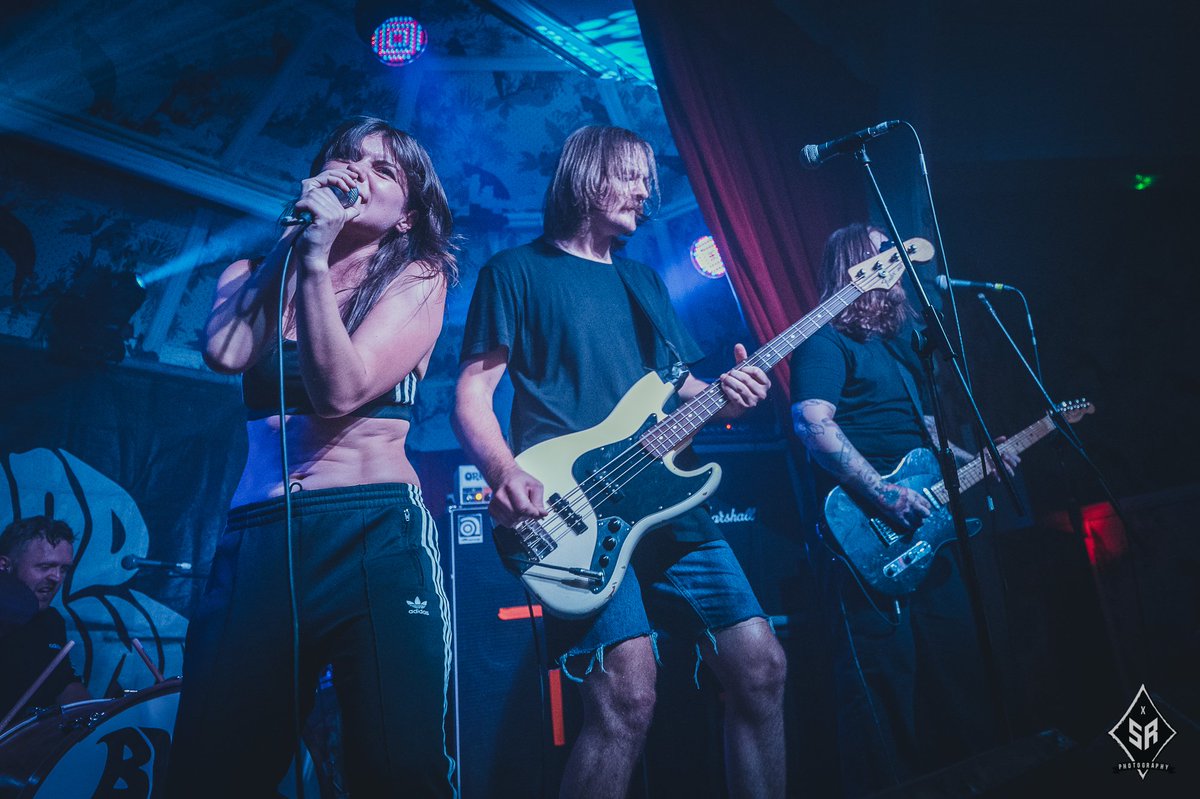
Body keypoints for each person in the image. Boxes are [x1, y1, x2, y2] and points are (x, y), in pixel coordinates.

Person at [454, 125, 787, 799]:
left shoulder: (641, 281)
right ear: (588, 176)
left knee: (761, 668)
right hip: (574, 508)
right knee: (626, 696)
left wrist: (733, 395)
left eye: (648, 179)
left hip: (671, 505)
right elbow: (471, 394)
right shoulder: (515, 272)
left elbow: (677, 390)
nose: (646, 190)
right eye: (632, 175)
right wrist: (503, 470)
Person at [166, 117, 458, 797]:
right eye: (347, 159)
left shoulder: (417, 275)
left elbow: (342, 390)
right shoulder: (252, 271)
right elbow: (227, 351)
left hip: (371, 532)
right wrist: (299, 249)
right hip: (262, 536)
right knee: (216, 766)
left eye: (385, 169)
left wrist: (320, 263)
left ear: (407, 213)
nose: (360, 171)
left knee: (398, 765)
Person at [790, 223, 1017, 796]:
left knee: (959, 665)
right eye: (878, 248)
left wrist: (980, 457)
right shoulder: (824, 339)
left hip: (929, 529)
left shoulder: (901, 344)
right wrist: (883, 493)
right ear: (855, 264)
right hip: (866, 528)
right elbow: (813, 424)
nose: (892, 256)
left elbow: (930, 432)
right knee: (883, 686)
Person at [0, 516, 91, 722]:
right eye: (44, 567)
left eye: (63, 569)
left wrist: (105, 717)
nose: (56, 578)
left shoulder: (50, 621)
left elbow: (62, 683)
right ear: (3, 565)